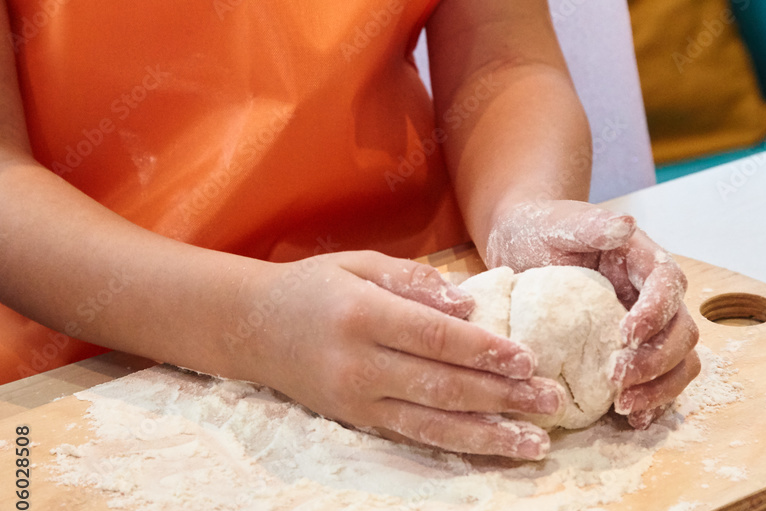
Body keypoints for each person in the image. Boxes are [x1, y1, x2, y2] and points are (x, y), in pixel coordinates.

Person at [0, 0, 700, 459]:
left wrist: (524, 209)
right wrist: (255, 323)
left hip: (429, 313)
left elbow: (503, 59)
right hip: (96, 363)